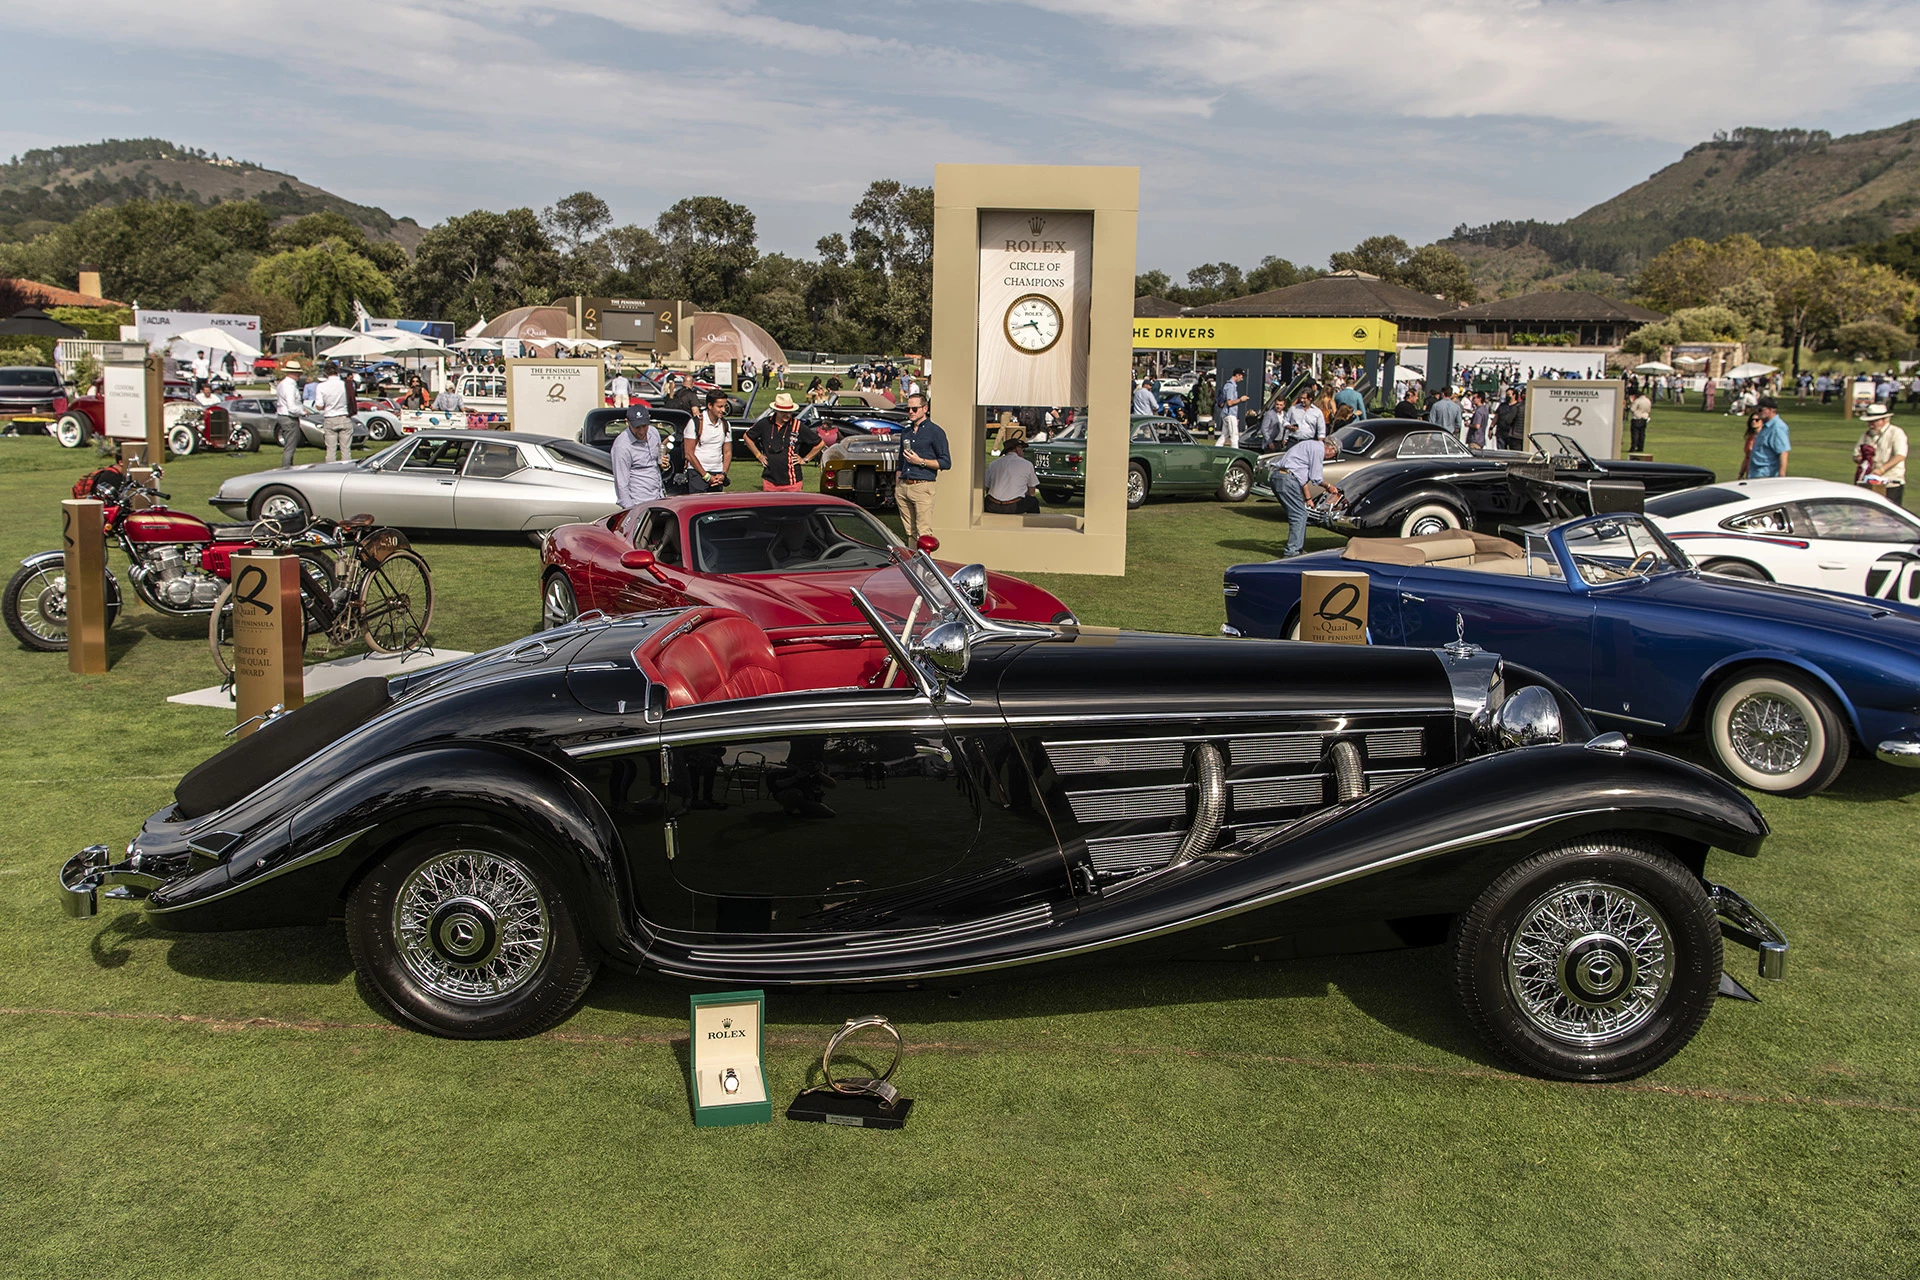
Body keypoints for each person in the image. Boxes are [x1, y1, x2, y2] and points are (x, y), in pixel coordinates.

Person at [1273, 429, 1342, 559]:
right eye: (1334, 454)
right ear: (1331, 448)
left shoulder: (1309, 445)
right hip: (1287, 479)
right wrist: (1329, 487)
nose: (1332, 457)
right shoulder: (1318, 450)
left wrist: (1308, 498)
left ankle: (1296, 549)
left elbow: (1303, 477)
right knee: (1299, 515)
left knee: (1300, 513)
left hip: (1279, 476)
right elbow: (1316, 478)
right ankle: (1292, 552)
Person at [896, 391, 949, 544]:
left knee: (923, 532)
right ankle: (914, 565)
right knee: (910, 532)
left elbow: (946, 462)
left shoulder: (935, 432)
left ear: (925, 409)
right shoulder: (906, 432)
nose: (910, 412)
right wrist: (897, 483)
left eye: (914, 409)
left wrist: (920, 461)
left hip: (923, 485)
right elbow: (900, 460)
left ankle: (926, 567)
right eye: (908, 409)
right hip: (904, 485)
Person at [744, 392, 820, 492]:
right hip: (770, 479)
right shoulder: (765, 423)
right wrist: (758, 455)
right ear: (776, 410)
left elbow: (819, 443)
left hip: (792, 481)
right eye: (784, 412)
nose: (788, 415)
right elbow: (747, 437)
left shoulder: (797, 425)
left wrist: (805, 459)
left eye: (790, 412)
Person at [610, 404, 665, 507]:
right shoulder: (621, 446)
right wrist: (631, 510)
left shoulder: (654, 433)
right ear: (627, 422)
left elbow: (656, 461)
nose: (641, 431)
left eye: (644, 426)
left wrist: (664, 462)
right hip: (638, 503)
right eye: (637, 427)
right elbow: (621, 483)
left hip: (658, 497)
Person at [1855, 403, 1908, 508]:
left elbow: (1900, 455)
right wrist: (1863, 460)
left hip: (1890, 483)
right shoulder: (1866, 435)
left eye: (1874, 421)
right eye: (1869, 421)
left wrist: (1881, 470)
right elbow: (1856, 455)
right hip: (1870, 483)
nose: (1870, 424)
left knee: (1890, 518)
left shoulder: (1896, 433)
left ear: (1884, 420)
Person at [680, 391, 732, 493]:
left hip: (717, 473)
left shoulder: (725, 424)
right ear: (709, 405)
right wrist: (706, 476)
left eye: (724, 406)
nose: (723, 410)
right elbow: (689, 454)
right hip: (697, 474)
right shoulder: (695, 423)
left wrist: (723, 474)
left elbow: (727, 452)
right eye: (720, 406)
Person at [983, 435, 1040, 514]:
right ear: (1016, 449)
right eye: (1022, 449)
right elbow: (1032, 491)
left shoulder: (993, 464)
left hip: (993, 505)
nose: (1023, 452)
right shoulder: (1027, 464)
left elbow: (987, 488)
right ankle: (1032, 525)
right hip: (1014, 506)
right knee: (1033, 501)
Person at [311, 362, 353, 463]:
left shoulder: (321, 386)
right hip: (344, 416)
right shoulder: (345, 384)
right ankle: (346, 469)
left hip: (330, 417)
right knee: (346, 450)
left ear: (325, 373)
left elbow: (319, 406)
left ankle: (330, 470)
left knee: (330, 450)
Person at [1746, 397, 1791, 478]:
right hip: (1756, 473)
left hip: (1766, 475)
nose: (1757, 412)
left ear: (1771, 410)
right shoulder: (1766, 426)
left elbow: (1783, 452)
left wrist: (1781, 476)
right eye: (1756, 409)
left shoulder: (1777, 427)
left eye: (1760, 410)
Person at [274, 367, 306, 467]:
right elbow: (292, 407)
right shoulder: (290, 386)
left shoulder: (282, 384)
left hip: (283, 415)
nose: (299, 376)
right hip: (289, 417)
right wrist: (303, 412)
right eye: (298, 374)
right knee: (290, 446)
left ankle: (287, 467)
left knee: (289, 445)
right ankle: (286, 468)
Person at [1628, 389, 1653, 454]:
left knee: (1635, 434)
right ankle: (1640, 447)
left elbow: (1632, 409)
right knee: (1642, 434)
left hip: (1637, 418)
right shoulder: (1648, 401)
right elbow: (1649, 410)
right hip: (1644, 418)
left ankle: (1633, 447)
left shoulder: (1637, 401)